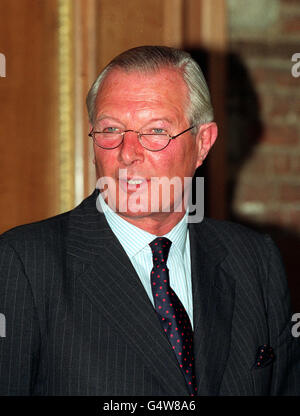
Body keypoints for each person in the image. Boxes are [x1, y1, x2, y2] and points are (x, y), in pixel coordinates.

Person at [0, 46, 299, 396]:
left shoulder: (255, 260)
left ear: (203, 143)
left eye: (155, 131)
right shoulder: (24, 264)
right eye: (110, 128)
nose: (127, 153)